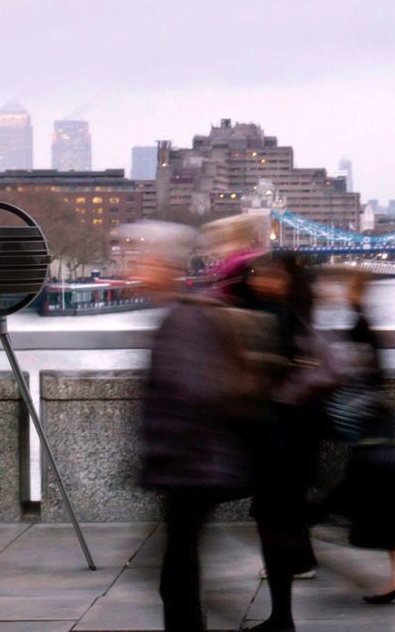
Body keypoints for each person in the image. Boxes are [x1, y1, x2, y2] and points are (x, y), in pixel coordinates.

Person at [129, 221, 257, 632]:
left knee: (176, 578)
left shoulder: (182, 321)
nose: (135, 270)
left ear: (164, 267)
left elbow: (192, 394)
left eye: (142, 261)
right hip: (189, 467)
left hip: (189, 469)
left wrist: (162, 456)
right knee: (178, 574)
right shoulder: (182, 315)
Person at [246, 253, 343, 632]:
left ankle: (281, 616)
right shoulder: (301, 314)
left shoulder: (278, 317)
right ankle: (281, 612)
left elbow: (261, 375)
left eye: (265, 273)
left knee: (272, 520)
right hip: (295, 436)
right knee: (277, 520)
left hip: (280, 438)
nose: (257, 279)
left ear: (283, 279)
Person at [321, 270, 395, 604]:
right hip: (376, 430)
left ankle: (292, 558)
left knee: (331, 506)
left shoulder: (358, 326)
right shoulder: (365, 322)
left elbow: (352, 378)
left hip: (365, 433)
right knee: (381, 508)